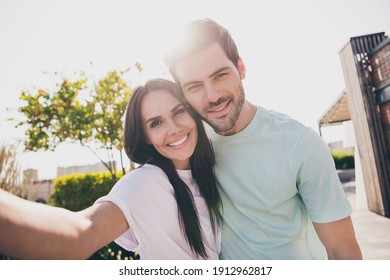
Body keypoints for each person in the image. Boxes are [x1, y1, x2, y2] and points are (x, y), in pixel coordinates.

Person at [165, 18, 362, 260]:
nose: (212, 96)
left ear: (241, 68)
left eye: (219, 76)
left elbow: (342, 250)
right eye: (195, 86)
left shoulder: (300, 144)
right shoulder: (189, 146)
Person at [0, 78, 222, 260]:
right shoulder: (145, 183)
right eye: (156, 123)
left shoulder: (212, 169)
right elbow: (82, 233)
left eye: (178, 112)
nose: (174, 129)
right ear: (145, 137)